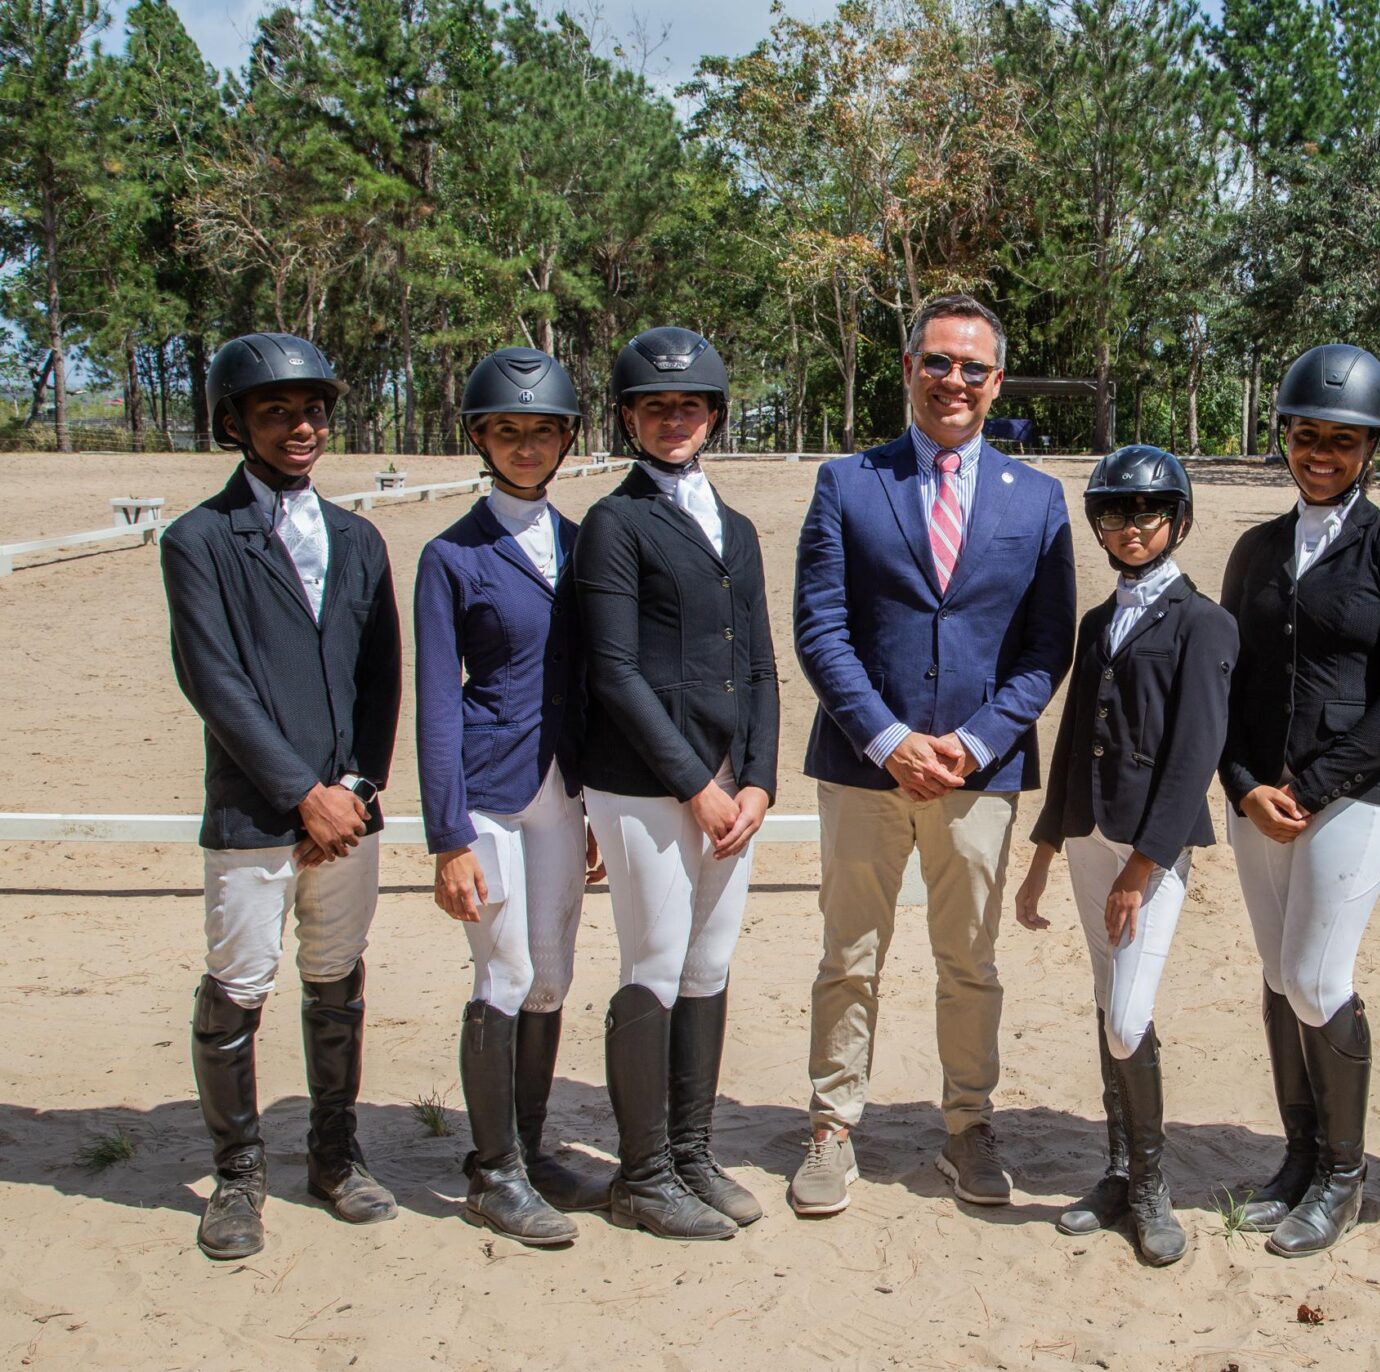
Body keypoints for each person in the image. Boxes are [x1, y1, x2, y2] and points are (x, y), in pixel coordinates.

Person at [790, 294, 1076, 1216]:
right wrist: (888, 738)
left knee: (970, 962)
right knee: (849, 955)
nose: (955, 380)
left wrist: (974, 741)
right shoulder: (847, 482)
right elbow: (820, 628)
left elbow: (1047, 647)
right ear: (909, 367)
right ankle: (833, 1125)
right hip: (862, 765)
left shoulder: (1038, 499)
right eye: (938, 362)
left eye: (973, 367)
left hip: (978, 774)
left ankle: (969, 1125)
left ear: (997, 382)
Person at [160, 332, 401, 1259]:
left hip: (346, 811)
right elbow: (214, 681)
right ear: (234, 424)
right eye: (275, 413)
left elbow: (380, 676)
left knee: (336, 976)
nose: (300, 428)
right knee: (240, 980)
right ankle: (237, 1174)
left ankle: (334, 1154)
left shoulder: (359, 539)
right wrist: (301, 793)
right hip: (257, 809)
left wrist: (355, 786)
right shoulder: (197, 540)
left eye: (311, 412)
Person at [1218, 344, 1380, 1257]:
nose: (1321, 454)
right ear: (1286, 437)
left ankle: (1346, 1177)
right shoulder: (1255, 550)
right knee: (1280, 977)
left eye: (1342, 441)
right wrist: (1242, 784)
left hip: (1356, 796)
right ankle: (1301, 1156)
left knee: (1316, 977)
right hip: (1260, 797)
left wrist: (1308, 787)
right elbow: (1228, 679)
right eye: (1307, 436)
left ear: (1371, 447)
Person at [575, 327, 779, 1241]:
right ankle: (643, 1172)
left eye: (688, 406)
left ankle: (692, 1151)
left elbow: (762, 666)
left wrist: (758, 781)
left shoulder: (736, 529)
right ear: (629, 419)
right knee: (654, 964)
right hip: (646, 785)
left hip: (728, 785)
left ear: (713, 417)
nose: (672, 420)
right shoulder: (614, 525)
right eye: (655, 408)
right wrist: (697, 784)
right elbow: (614, 672)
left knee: (708, 965)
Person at [1015, 445, 1238, 1267]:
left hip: (1152, 846)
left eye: (1148, 512)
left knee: (1127, 1015)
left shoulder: (1206, 623)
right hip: (1086, 832)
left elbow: (1195, 753)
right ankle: (1116, 1172)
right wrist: (1044, 849)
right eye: (1114, 513)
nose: (1131, 527)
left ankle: (1151, 1186)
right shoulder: (1096, 622)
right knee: (1106, 996)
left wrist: (1144, 866)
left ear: (1178, 520)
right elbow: (1074, 735)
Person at [415, 347, 612, 1247]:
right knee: (504, 972)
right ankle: (492, 1173)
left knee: (553, 974)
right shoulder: (451, 556)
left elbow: (597, 682)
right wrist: (447, 835)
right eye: (507, 431)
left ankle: (528, 1152)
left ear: (566, 439)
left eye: (541, 431)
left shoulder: (584, 544)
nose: (525, 446)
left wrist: (596, 802)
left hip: (562, 790)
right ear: (481, 438)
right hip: (489, 790)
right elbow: (436, 701)